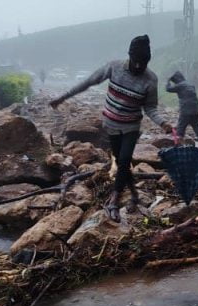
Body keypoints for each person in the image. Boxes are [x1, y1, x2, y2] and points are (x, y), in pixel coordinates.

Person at [49, 35, 173, 220]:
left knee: (123, 161)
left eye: (143, 63)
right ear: (129, 56)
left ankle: (114, 200)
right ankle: (134, 194)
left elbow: (150, 107)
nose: (139, 66)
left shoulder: (150, 80)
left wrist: (163, 123)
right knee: (122, 163)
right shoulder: (114, 67)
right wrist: (63, 97)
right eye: (136, 62)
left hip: (131, 126)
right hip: (111, 124)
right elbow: (89, 82)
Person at [166, 71, 198, 148]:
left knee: (180, 128)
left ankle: (179, 146)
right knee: (196, 126)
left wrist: (168, 81)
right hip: (196, 109)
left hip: (186, 110)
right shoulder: (190, 84)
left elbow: (168, 89)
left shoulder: (180, 85)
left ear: (176, 79)